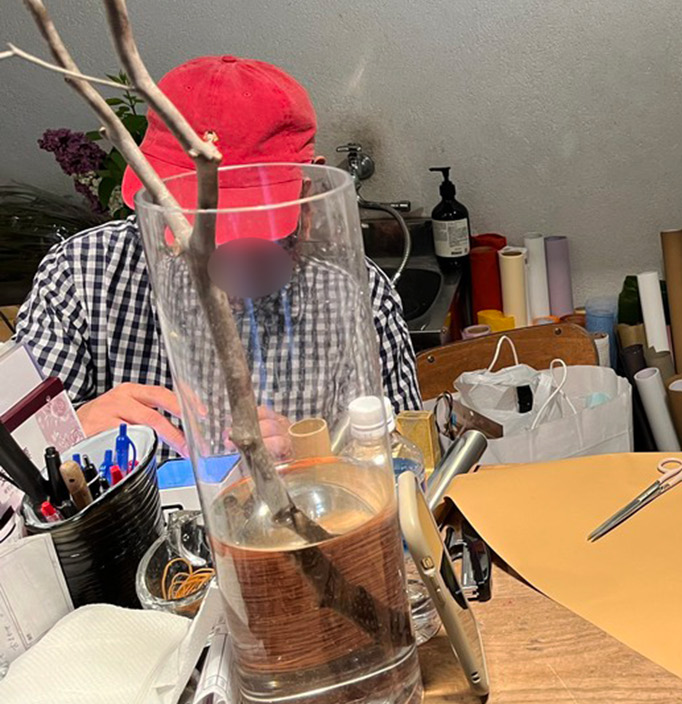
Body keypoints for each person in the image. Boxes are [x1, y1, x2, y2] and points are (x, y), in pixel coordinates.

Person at [15, 55, 422, 456]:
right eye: (185, 226)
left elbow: (407, 471)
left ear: (309, 194)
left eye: (243, 230)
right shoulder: (82, 276)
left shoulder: (358, 297)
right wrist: (67, 434)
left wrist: (314, 461)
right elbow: (10, 462)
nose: (212, 258)